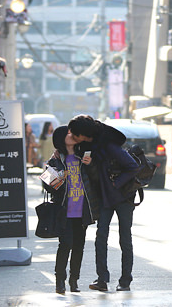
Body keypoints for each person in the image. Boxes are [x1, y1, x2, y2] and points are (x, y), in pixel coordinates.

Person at [68, 115, 140, 292]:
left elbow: (133, 166)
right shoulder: (87, 147)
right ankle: (102, 279)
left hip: (123, 197)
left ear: (84, 134)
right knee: (101, 237)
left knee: (125, 238)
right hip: (105, 197)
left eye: (76, 134)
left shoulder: (108, 145)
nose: (74, 137)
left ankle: (125, 281)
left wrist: (116, 183)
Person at [43, 123, 99, 294]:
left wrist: (91, 165)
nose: (72, 135)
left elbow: (95, 180)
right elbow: (47, 186)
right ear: (61, 138)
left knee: (79, 246)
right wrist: (60, 176)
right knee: (65, 244)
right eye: (68, 133)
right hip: (64, 210)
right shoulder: (55, 160)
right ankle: (60, 280)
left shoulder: (83, 157)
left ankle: (74, 280)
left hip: (82, 209)